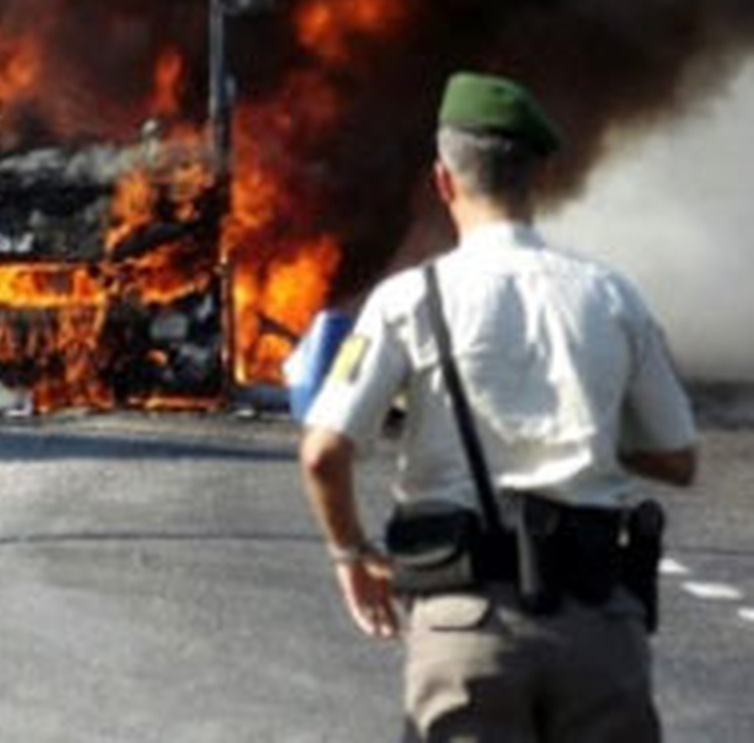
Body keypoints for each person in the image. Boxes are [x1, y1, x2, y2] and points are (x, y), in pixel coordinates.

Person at [298, 71, 698, 742]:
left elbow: (322, 451)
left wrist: (351, 555)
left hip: (464, 628)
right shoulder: (611, 297)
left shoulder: (409, 300)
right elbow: (677, 457)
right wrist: (586, 430)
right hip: (599, 627)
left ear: (443, 181)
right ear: (541, 175)